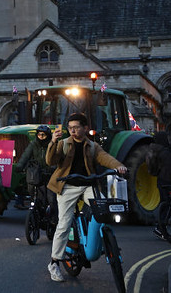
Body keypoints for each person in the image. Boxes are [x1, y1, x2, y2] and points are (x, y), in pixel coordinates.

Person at [44, 113, 127, 282]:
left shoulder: (93, 146)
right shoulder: (63, 144)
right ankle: (54, 263)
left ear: (85, 128)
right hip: (67, 185)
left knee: (104, 210)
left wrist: (118, 166)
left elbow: (105, 158)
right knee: (64, 224)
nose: (73, 131)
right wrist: (52, 141)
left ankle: (103, 243)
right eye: (70, 128)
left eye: (76, 127)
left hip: (88, 185)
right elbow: (50, 160)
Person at [15, 125, 57, 219]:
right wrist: (19, 166)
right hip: (37, 173)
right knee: (35, 194)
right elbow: (25, 155)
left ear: (48, 136)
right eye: (39, 134)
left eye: (43, 135)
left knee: (51, 198)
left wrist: (54, 167)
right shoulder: (33, 144)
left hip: (50, 174)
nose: (41, 137)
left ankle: (54, 219)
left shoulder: (53, 144)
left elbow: (57, 157)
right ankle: (37, 213)